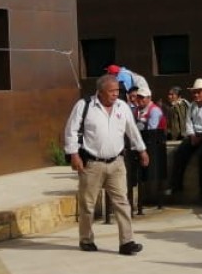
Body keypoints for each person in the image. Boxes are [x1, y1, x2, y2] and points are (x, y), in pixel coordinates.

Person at [63, 74, 148, 255]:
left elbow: (132, 130)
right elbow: (71, 131)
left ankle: (126, 242)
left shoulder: (122, 107)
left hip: (117, 162)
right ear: (100, 92)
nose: (115, 94)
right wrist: (74, 155)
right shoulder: (84, 106)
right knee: (88, 203)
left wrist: (141, 150)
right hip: (92, 164)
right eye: (111, 91)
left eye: (117, 90)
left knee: (122, 202)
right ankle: (86, 239)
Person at [167, 78, 202, 200]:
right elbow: (188, 123)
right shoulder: (191, 106)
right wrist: (192, 136)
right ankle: (176, 185)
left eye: (199, 92)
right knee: (179, 153)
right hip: (194, 135)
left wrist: (200, 137)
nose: (196, 95)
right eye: (194, 92)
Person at [132, 86, 167, 212]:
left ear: (149, 98)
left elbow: (151, 128)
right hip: (140, 144)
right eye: (138, 97)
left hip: (154, 147)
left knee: (155, 175)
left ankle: (157, 200)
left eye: (142, 98)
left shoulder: (154, 111)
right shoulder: (136, 110)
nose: (139, 100)